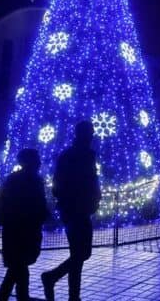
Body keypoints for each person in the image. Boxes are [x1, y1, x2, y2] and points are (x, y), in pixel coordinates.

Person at [42, 121, 101, 301]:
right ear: (83, 134)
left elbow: (90, 180)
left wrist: (93, 195)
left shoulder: (79, 155)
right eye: (89, 133)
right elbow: (62, 185)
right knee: (82, 254)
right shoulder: (76, 156)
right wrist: (85, 195)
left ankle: (73, 296)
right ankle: (52, 277)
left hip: (75, 209)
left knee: (79, 254)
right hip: (75, 210)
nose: (92, 136)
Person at [0, 148, 50, 301]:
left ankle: (12, 298)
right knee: (19, 270)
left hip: (15, 230)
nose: (39, 162)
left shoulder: (14, 179)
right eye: (36, 159)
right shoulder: (33, 181)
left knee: (17, 270)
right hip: (24, 231)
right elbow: (38, 205)